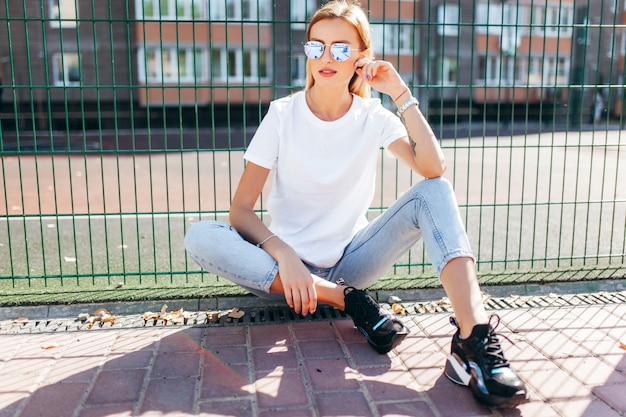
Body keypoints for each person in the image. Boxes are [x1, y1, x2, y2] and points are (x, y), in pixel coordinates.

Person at [185, 0, 527, 408]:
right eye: (317, 46)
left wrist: (400, 92)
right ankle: (344, 299)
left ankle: (473, 339)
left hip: (351, 262)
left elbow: (433, 167)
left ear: (361, 59)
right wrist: (285, 255)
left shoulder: (373, 115)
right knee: (201, 235)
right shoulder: (282, 114)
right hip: (279, 275)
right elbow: (240, 210)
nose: (326, 57)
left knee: (435, 191)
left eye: (341, 48)